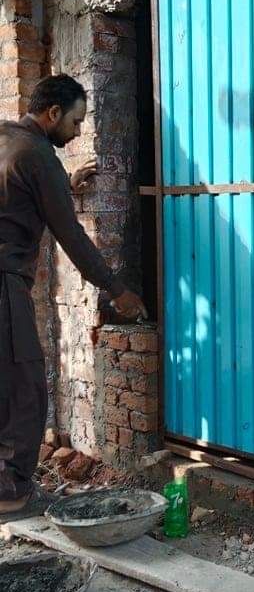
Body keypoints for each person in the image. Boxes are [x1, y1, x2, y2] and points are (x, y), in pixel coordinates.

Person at [0, 74, 147, 521]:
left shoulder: (8, 138)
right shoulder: (38, 155)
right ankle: (11, 495)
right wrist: (116, 289)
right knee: (26, 390)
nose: (79, 131)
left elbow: (18, 190)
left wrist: (64, 184)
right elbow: (72, 236)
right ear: (52, 113)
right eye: (76, 122)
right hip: (4, 285)